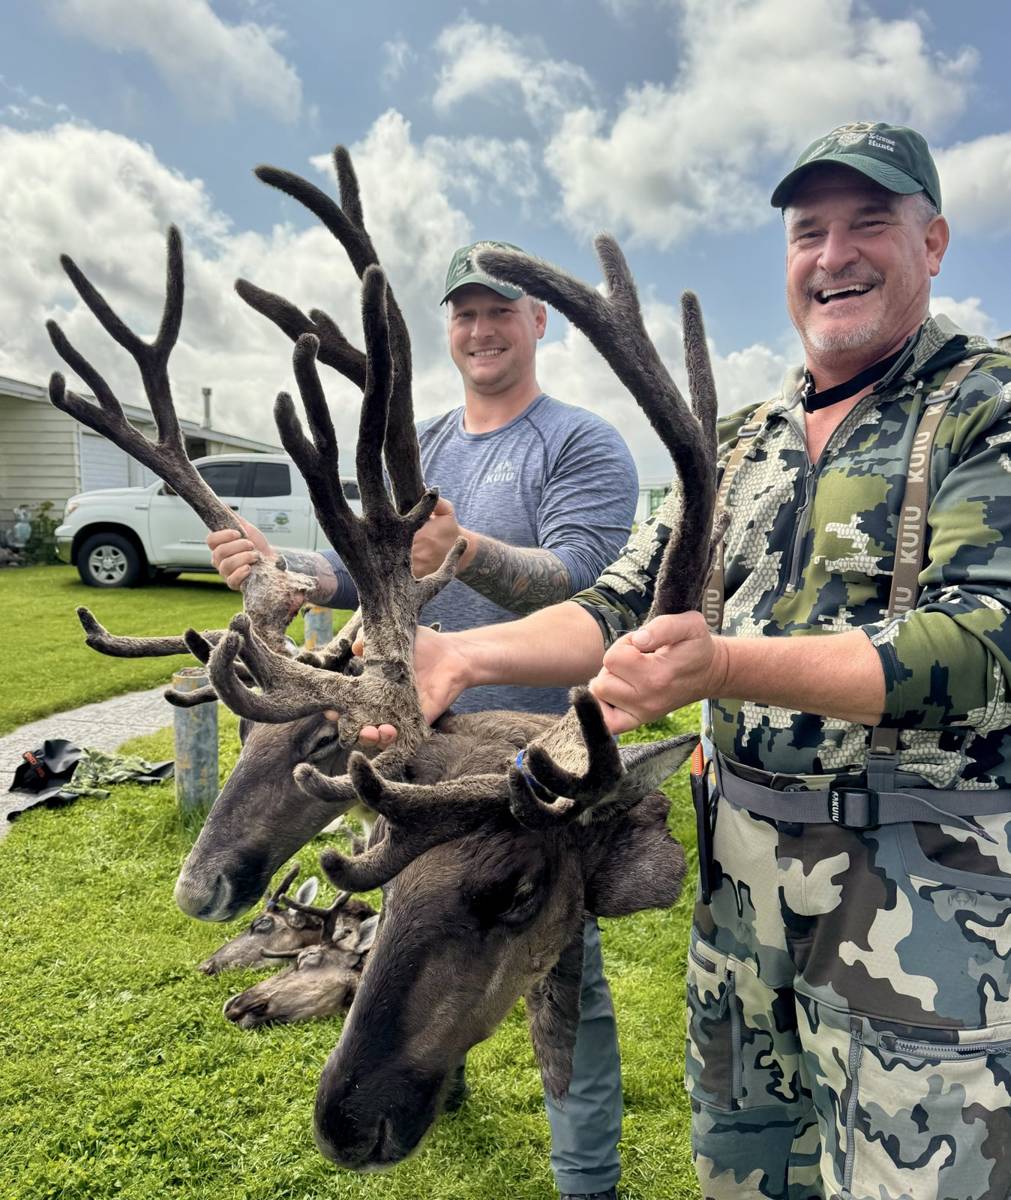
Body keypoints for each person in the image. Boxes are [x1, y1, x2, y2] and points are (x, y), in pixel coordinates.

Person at [403, 124, 1011, 1199]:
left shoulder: (985, 408)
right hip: (740, 908)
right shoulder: (738, 442)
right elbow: (616, 602)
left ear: (935, 241)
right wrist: (458, 653)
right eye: (809, 231)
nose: (836, 255)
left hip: (927, 922)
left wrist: (723, 664)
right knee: (742, 1174)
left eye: (871, 223)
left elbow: (982, 641)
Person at [208, 242, 639, 1200]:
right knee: (409, 942)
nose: (480, 329)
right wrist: (282, 573)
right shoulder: (423, 444)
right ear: (449, 329)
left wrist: (469, 548)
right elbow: (363, 569)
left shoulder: (580, 445)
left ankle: (586, 1178)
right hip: (406, 757)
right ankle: (433, 1087)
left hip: (527, 780)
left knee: (559, 987)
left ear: (539, 323)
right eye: (464, 314)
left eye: (501, 311)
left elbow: (588, 582)